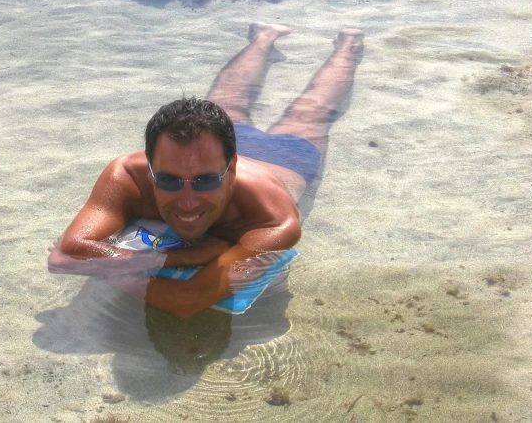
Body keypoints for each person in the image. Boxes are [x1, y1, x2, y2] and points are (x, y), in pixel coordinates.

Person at [48, 23, 365, 317]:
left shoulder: (272, 220)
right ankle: (265, 37)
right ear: (150, 166)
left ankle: (348, 43)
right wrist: (174, 258)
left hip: (286, 161)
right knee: (230, 101)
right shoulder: (129, 174)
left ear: (232, 169)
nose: (188, 201)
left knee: (309, 113)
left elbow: (188, 301)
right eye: (169, 180)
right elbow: (73, 247)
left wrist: (104, 267)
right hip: (206, 150)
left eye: (205, 182)